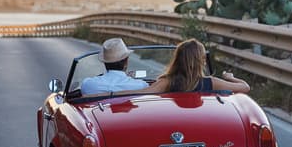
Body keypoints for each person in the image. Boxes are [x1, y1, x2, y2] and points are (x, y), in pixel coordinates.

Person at [116, 38, 250, 95]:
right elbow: (245, 87)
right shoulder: (211, 82)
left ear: (177, 59)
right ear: (201, 61)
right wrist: (230, 77)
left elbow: (138, 94)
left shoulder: (167, 82)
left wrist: (103, 95)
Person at [81, 37, 149, 95]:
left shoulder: (87, 85)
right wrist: (130, 79)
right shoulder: (141, 86)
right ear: (126, 62)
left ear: (105, 62)